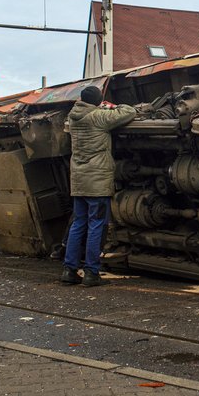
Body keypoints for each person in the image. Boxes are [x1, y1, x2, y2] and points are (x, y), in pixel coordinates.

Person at [61, 85, 136, 286]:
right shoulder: (98, 116)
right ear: (97, 101)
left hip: (78, 179)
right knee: (97, 225)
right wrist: (111, 105)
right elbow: (129, 111)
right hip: (97, 181)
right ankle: (91, 273)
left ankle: (69, 270)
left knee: (78, 223)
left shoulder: (73, 117)